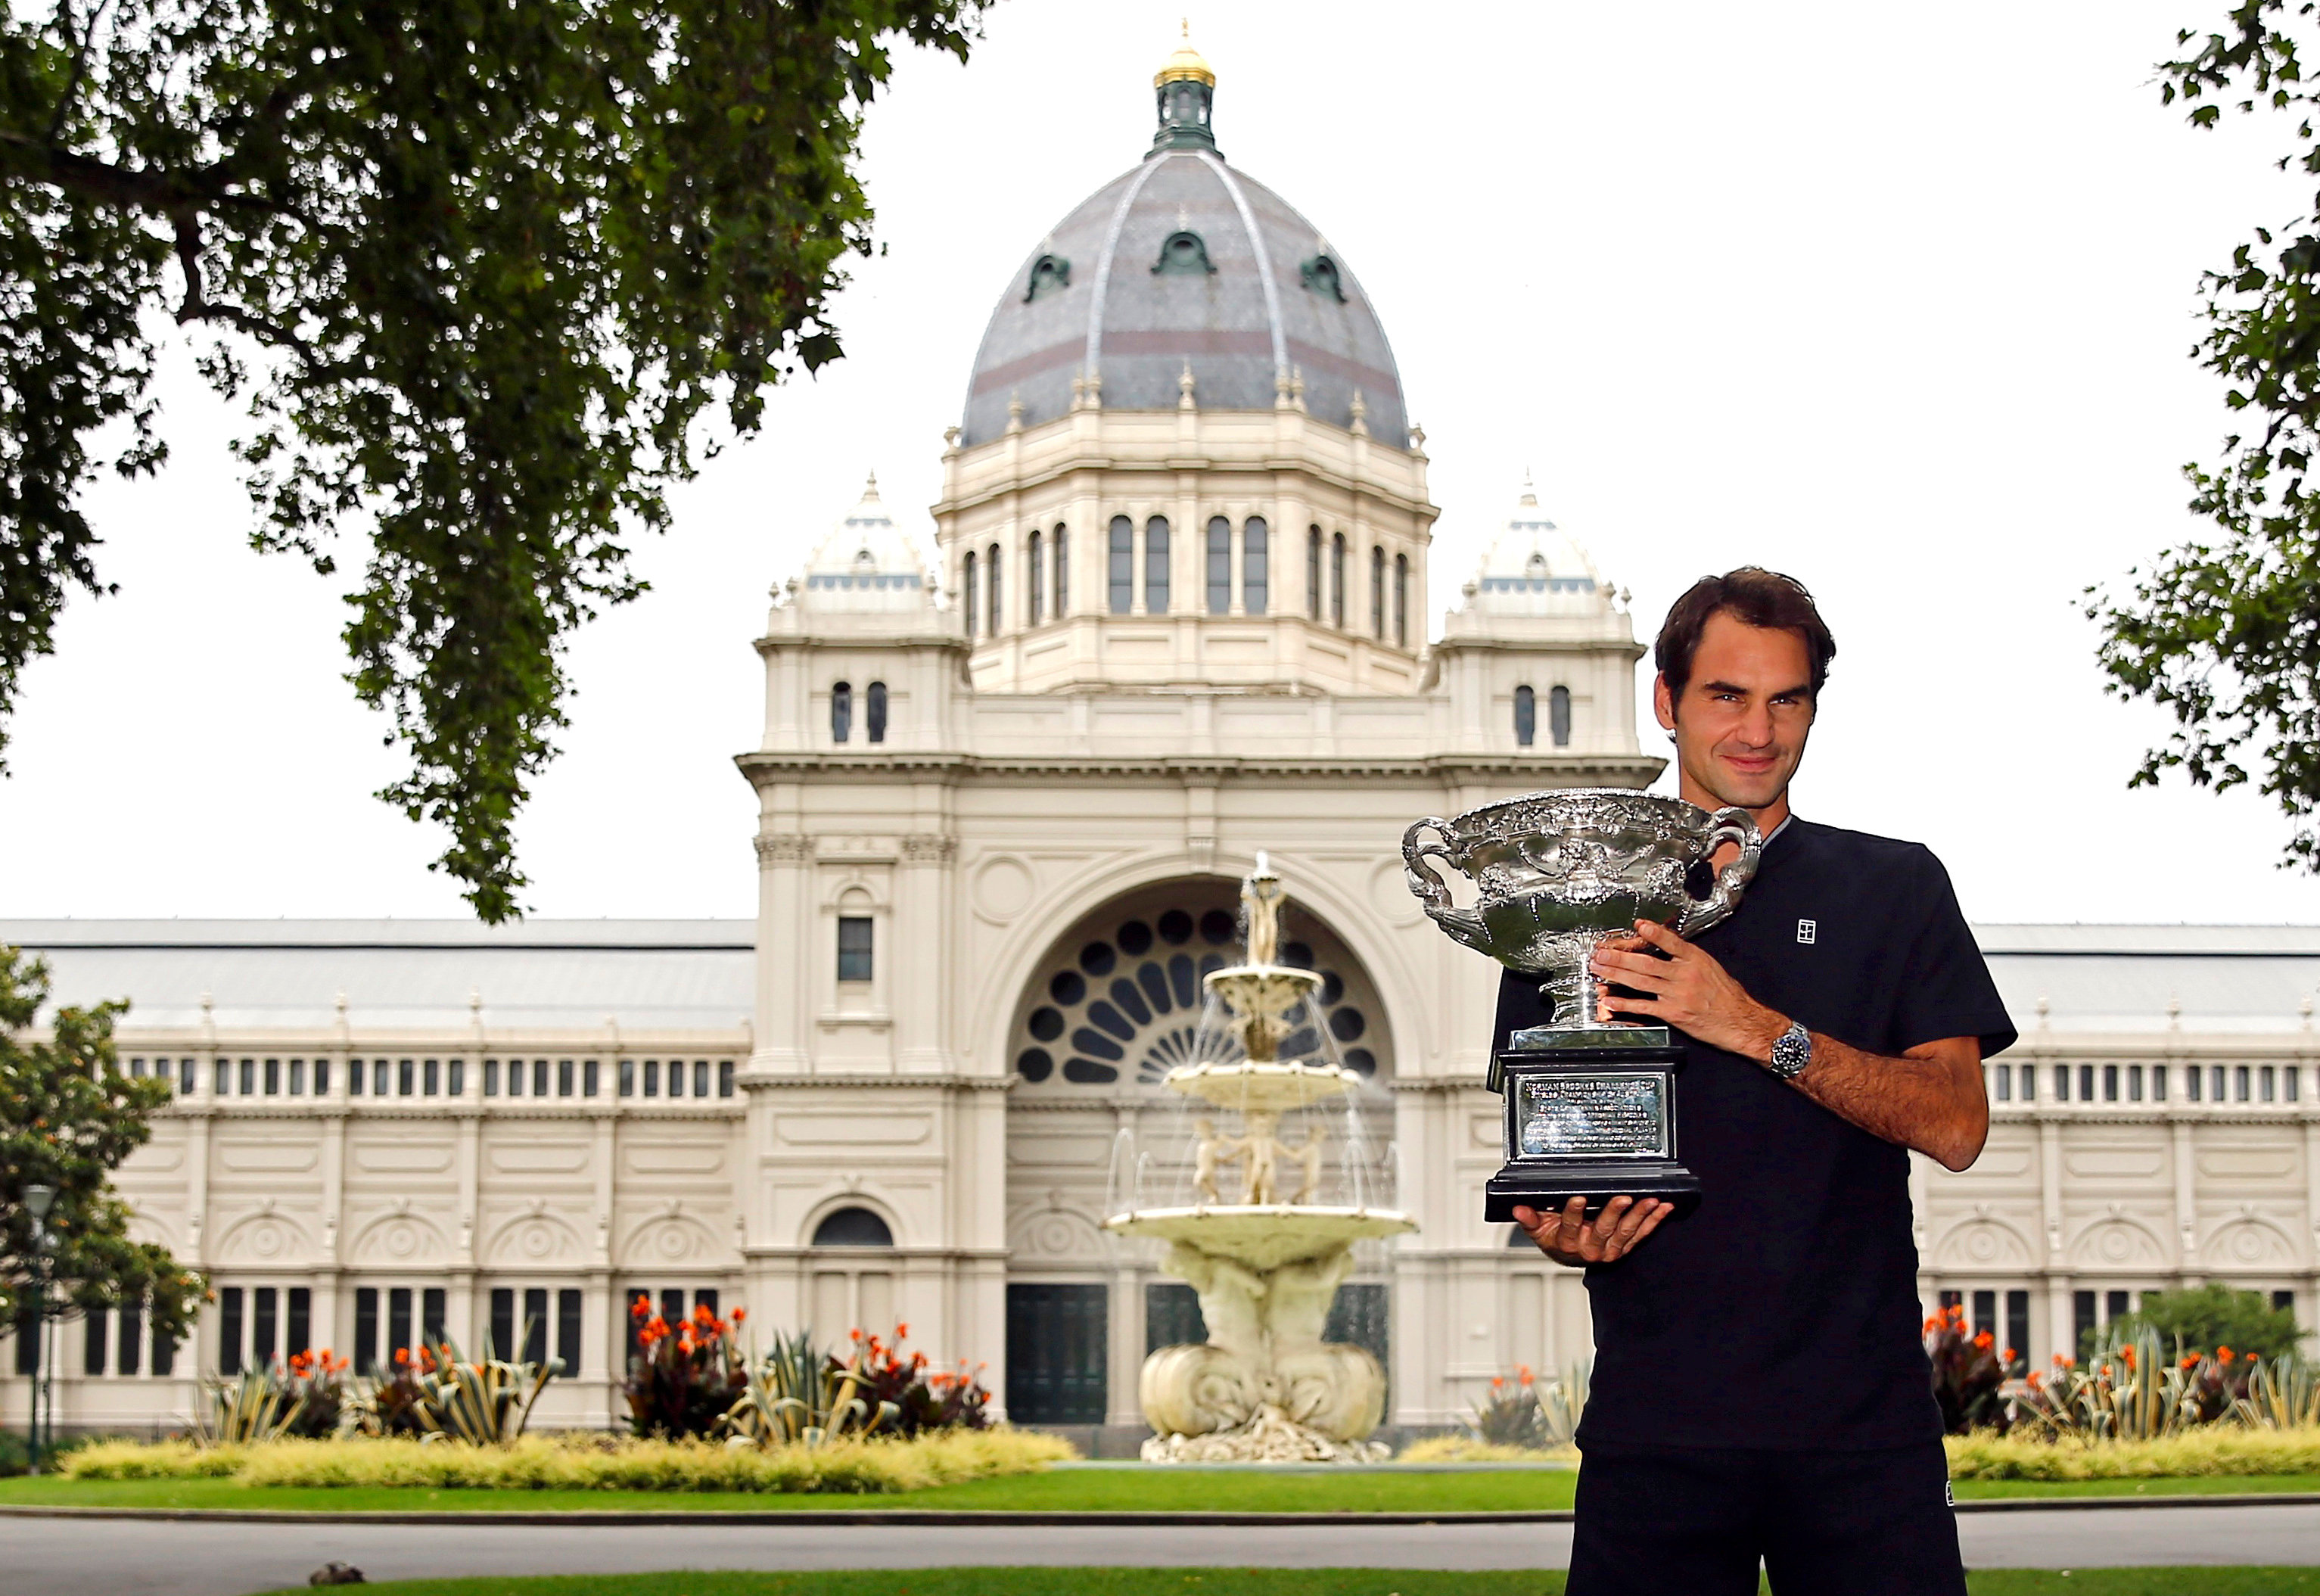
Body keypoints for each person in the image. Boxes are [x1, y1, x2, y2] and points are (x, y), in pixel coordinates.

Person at [1501, 568, 2015, 1596]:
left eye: (1786, 698)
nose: (1758, 728)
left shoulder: (1894, 886)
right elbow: (1552, 1160)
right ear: (1665, 701)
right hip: (1655, 1431)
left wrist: (1751, 1027)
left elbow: (1956, 1123)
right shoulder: (1575, 906)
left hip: (1861, 1433)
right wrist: (1557, 1228)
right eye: (1725, 695)